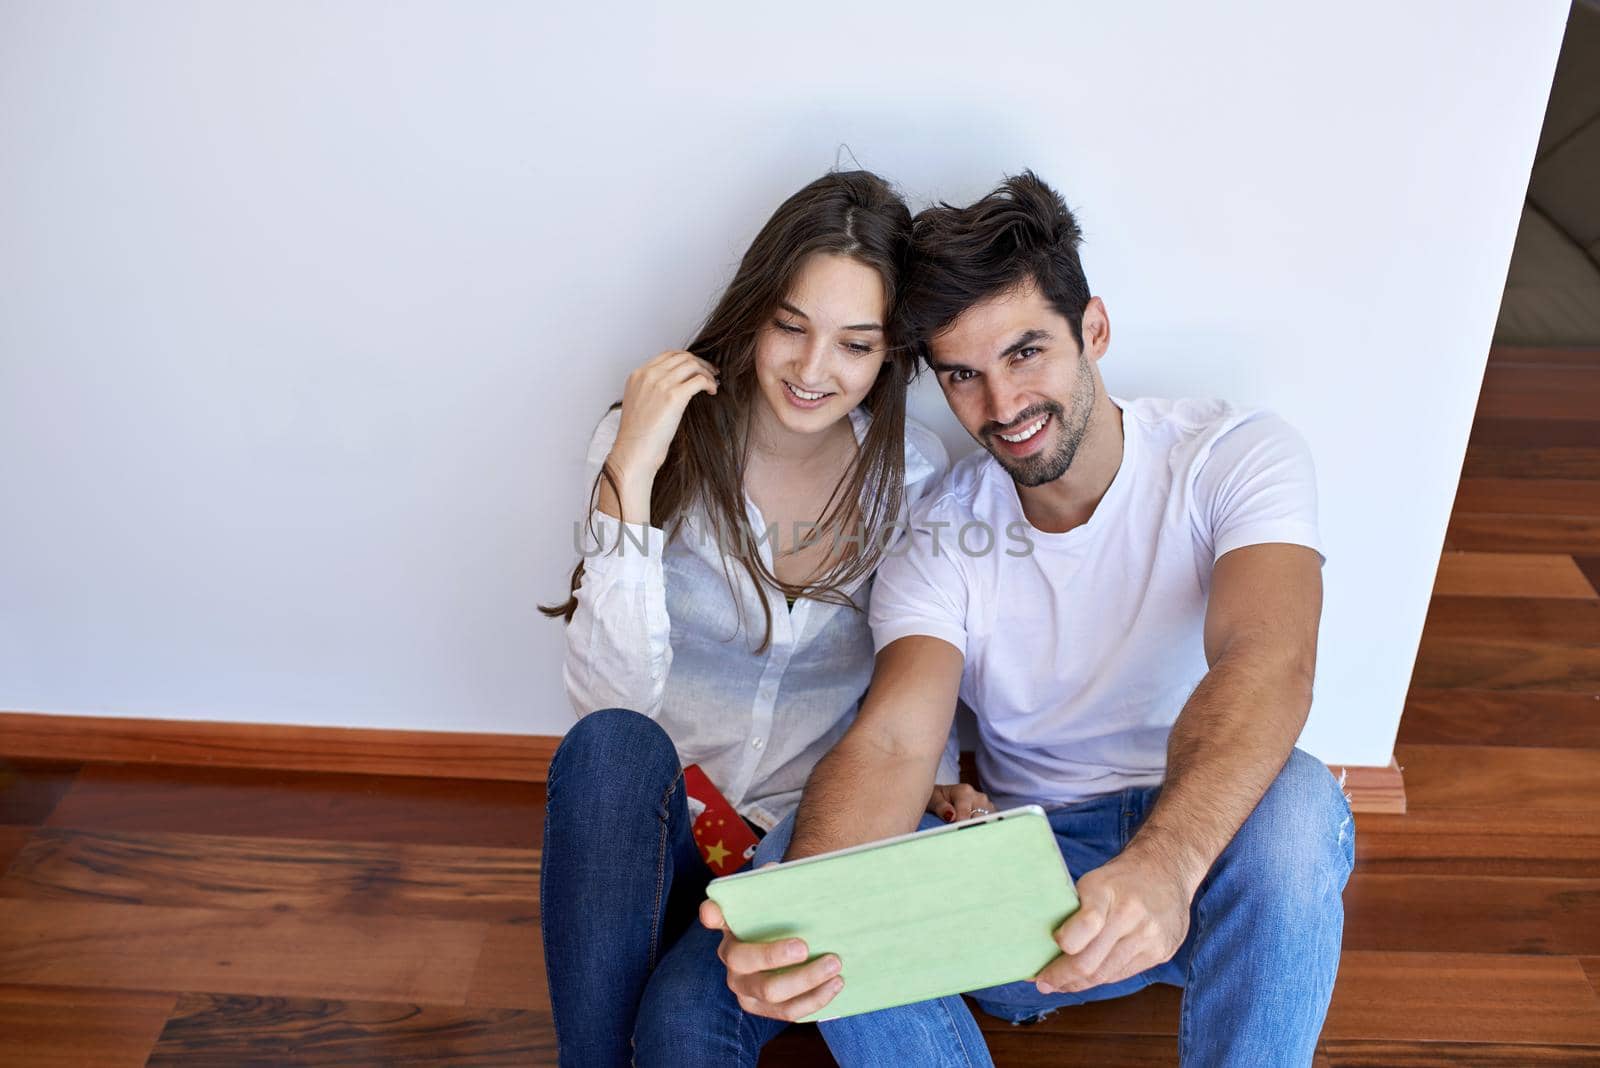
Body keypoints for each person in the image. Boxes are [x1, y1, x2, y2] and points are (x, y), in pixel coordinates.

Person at [703, 172, 1354, 1067]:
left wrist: (1164, 865)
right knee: (804, 862)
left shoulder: (1233, 455)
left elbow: (1267, 660)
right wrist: (809, 911)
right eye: (964, 376)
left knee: (1304, 802)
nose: (1002, 407)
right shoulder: (939, 527)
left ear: (1094, 330)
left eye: (1026, 353)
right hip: (1034, 887)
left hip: (1206, 855)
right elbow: (894, 738)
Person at [538, 170, 991, 1067]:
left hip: (797, 845)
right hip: (661, 836)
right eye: (791, 327)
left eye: (855, 346)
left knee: (678, 1026)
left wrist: (938, 772)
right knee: (611, 747)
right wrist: (631, 466)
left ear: (889, 358)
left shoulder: (913, 479)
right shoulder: (652, 443)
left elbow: (921, 651)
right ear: (754, 312)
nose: (814, 370)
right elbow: (610, 703)